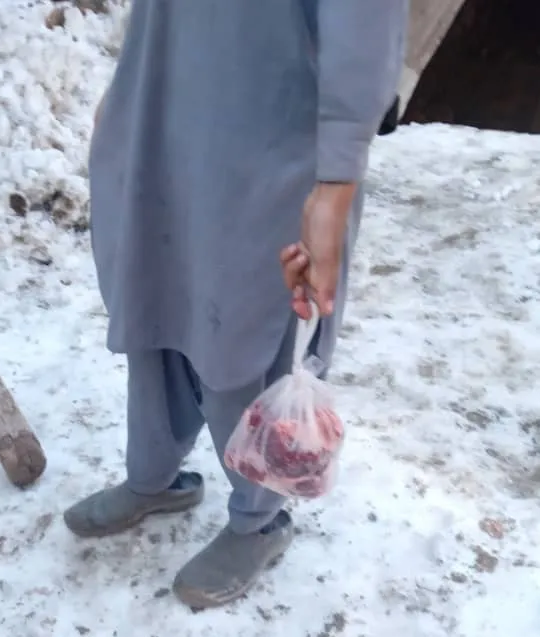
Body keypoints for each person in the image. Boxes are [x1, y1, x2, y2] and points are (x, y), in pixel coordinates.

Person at [64, 0, 409, 609]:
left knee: (240, 336)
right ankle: (155, 477)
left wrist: (336, 182)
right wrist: (127, 87)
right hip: (158, 118)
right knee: (154, 308)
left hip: (264, 138)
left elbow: (365, 24)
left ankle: (259, 519)